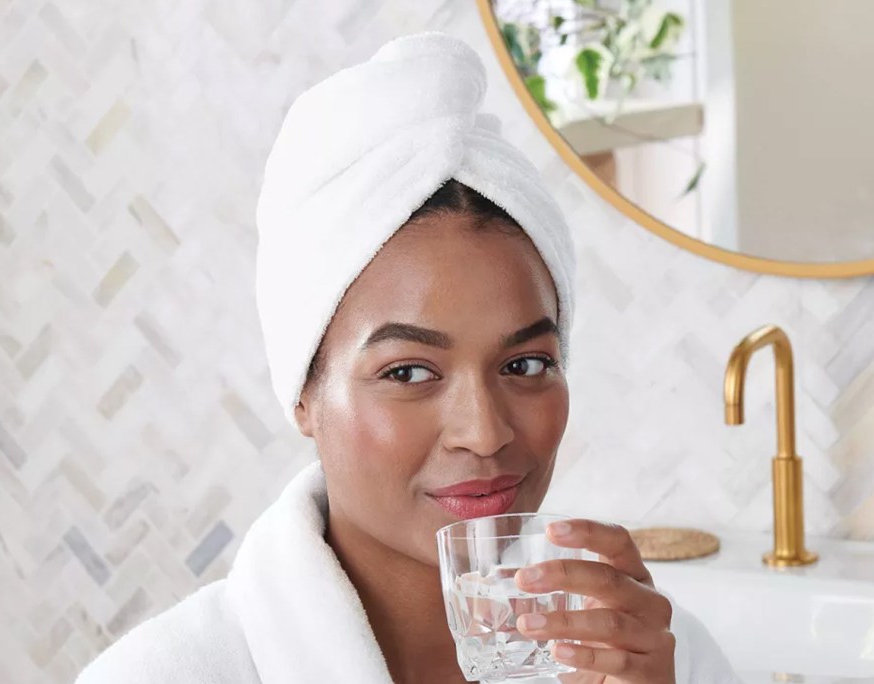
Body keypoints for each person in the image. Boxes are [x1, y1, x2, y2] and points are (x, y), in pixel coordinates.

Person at [74, 31, 742, 684]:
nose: (484, 433)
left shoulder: (654, 657)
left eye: (526, 365)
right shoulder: (168, 672)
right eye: (408, 372)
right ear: (304, 394)